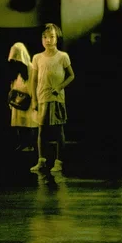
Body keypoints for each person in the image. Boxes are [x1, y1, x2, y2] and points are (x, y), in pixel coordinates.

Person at [29, 23, 75, 173]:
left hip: (56, 98)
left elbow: (71, 75)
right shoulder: (37, 57)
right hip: (42, 97)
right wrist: (34, 99)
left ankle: (59, 162)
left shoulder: (63, 56)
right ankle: (41, 161)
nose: (48, 40)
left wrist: (59, 87)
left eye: (51, 37)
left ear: (57, 38)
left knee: (58, 130)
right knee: (41, 130)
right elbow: (33, 80)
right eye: (44, 37)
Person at [7, 42, 37, 151]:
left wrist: (34, 101)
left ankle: (30, 144)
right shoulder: (16, 70)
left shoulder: (32, 69)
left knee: (29, 122)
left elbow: (34, 85)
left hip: (29, 99)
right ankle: (22, 143)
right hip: (17, 99)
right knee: (19, 122)